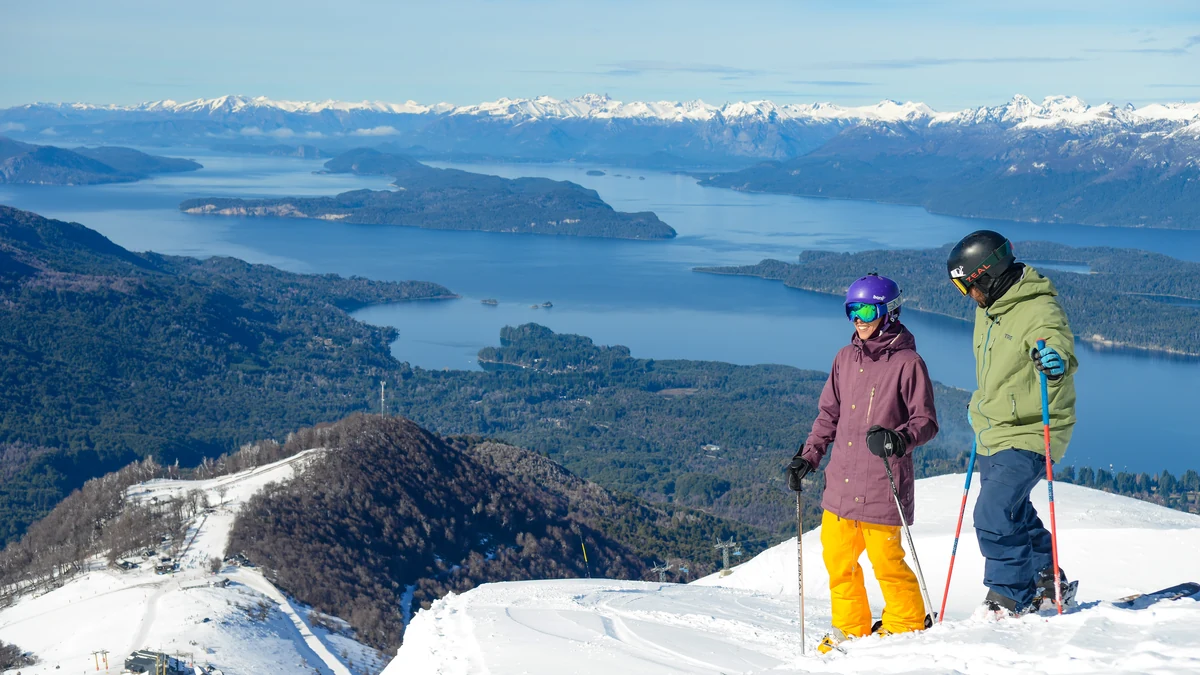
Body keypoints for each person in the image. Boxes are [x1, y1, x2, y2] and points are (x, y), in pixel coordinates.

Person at [786, 273, 939, 653]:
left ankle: (904, 624)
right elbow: (828, 417)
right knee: (839, 563)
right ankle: (851, 628)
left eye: (866, 309)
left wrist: (899, 438)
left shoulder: (908, 363)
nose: (858, 318)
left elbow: (926, 422)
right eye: (851, 310)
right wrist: (808, 458)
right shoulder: (844, 358)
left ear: (888, 311)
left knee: (887, 562)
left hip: (882, 484)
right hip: (840, 486)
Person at [946, 230, 1078, 616]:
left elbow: (1058, 343)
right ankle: (1046, 578)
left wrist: (1054, 361)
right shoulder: (989, 309)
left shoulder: (1038, 308)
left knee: (992, 513)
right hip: (992, 430)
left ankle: (1008, 598)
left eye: (969, 286)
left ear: (988, 274)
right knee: (1012, 511)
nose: (969, 295)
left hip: (1031, 430)